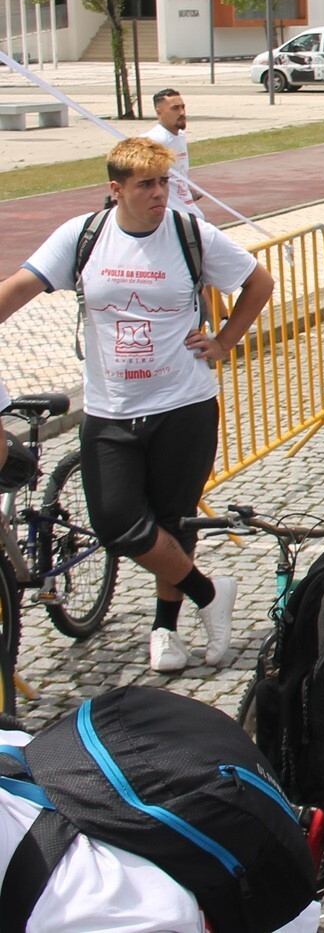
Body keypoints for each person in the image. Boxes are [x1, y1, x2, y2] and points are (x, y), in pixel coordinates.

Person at [0, 137, 272, 674]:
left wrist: (224, 340)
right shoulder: (83, 236)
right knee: (116, 523)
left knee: (173, 519)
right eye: (146, 184)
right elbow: (18, 289)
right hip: (110, 409)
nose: (158, 194)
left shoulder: (190, 233)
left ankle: (165, 630)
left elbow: (258, 282)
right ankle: (210, 593)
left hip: (184, 404)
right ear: (116, 189)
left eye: (164, 182)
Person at [143, 88, 203, 220]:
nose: (182, 112)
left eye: (183, 107)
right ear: (159, 112)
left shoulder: (180, 136)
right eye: (175, 108)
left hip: (190, 211)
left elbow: (177, 173)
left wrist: (187, 190)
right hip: (174, 218)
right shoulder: (155, 139)